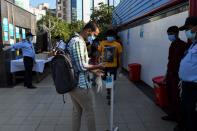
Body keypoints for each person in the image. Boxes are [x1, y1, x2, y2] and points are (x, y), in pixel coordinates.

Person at [68, 21, 104, 131]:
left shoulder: (74, 40)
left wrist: (94, 71)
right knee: (90, 112)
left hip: (73, 83)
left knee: (77, 112)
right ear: (88, 31)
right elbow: (81, 66)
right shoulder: (78, 42)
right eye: (94, 34)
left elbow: (81, 63)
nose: (94, 38)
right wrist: (99, 66)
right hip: (80, 85)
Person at [162, 26, 188, 129]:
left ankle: (179, 119)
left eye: (171, 34)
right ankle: (171, 115)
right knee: (170, 95)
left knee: (177, 97)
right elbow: (170, 61)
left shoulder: (184, 45)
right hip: (170, 74)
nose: (169, 36)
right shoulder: (172, 45)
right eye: (168, 34)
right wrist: (166, 75)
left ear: (177, 33)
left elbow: (185, 62)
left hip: (178, 76)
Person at [178, 16, 197, 131]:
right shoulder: (193, 44)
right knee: (185, 111)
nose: (186, 32)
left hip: (194, 87)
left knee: (192, 114)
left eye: (188, 28)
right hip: (186, 85)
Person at [98, 29, 122, 105]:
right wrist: (99, 64)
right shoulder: (102, 43)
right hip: (104, 66)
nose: (110, 37)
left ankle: (110, 95)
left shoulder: (118, 45)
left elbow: (119, 57)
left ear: (114, 36)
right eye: (109, 35)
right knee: (107, 81)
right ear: (107, 36)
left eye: (111, 36)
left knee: (110, 82)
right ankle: (109, 91)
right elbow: (99, 54)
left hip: (113, 67)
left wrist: (120, 66)